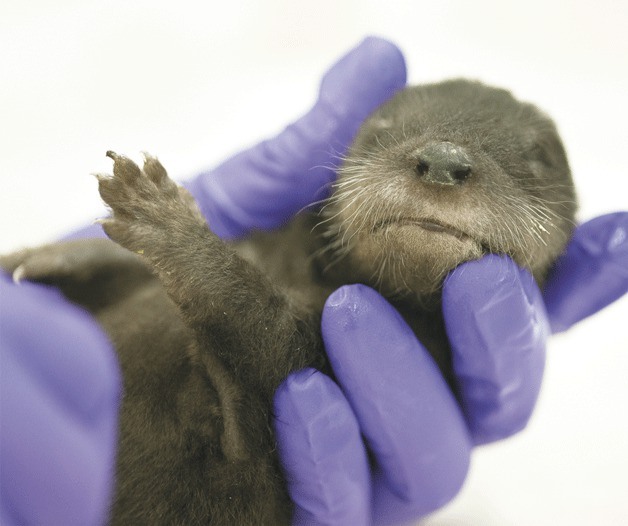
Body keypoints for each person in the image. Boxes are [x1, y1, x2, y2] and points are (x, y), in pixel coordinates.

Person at [1, 37, 626, 526]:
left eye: (533, 162)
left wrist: (179, 241)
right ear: (333, 182)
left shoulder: (403, 351)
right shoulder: (286, 240)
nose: (442, 165)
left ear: (563, 234)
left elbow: (269, 352)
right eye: (385, 140)